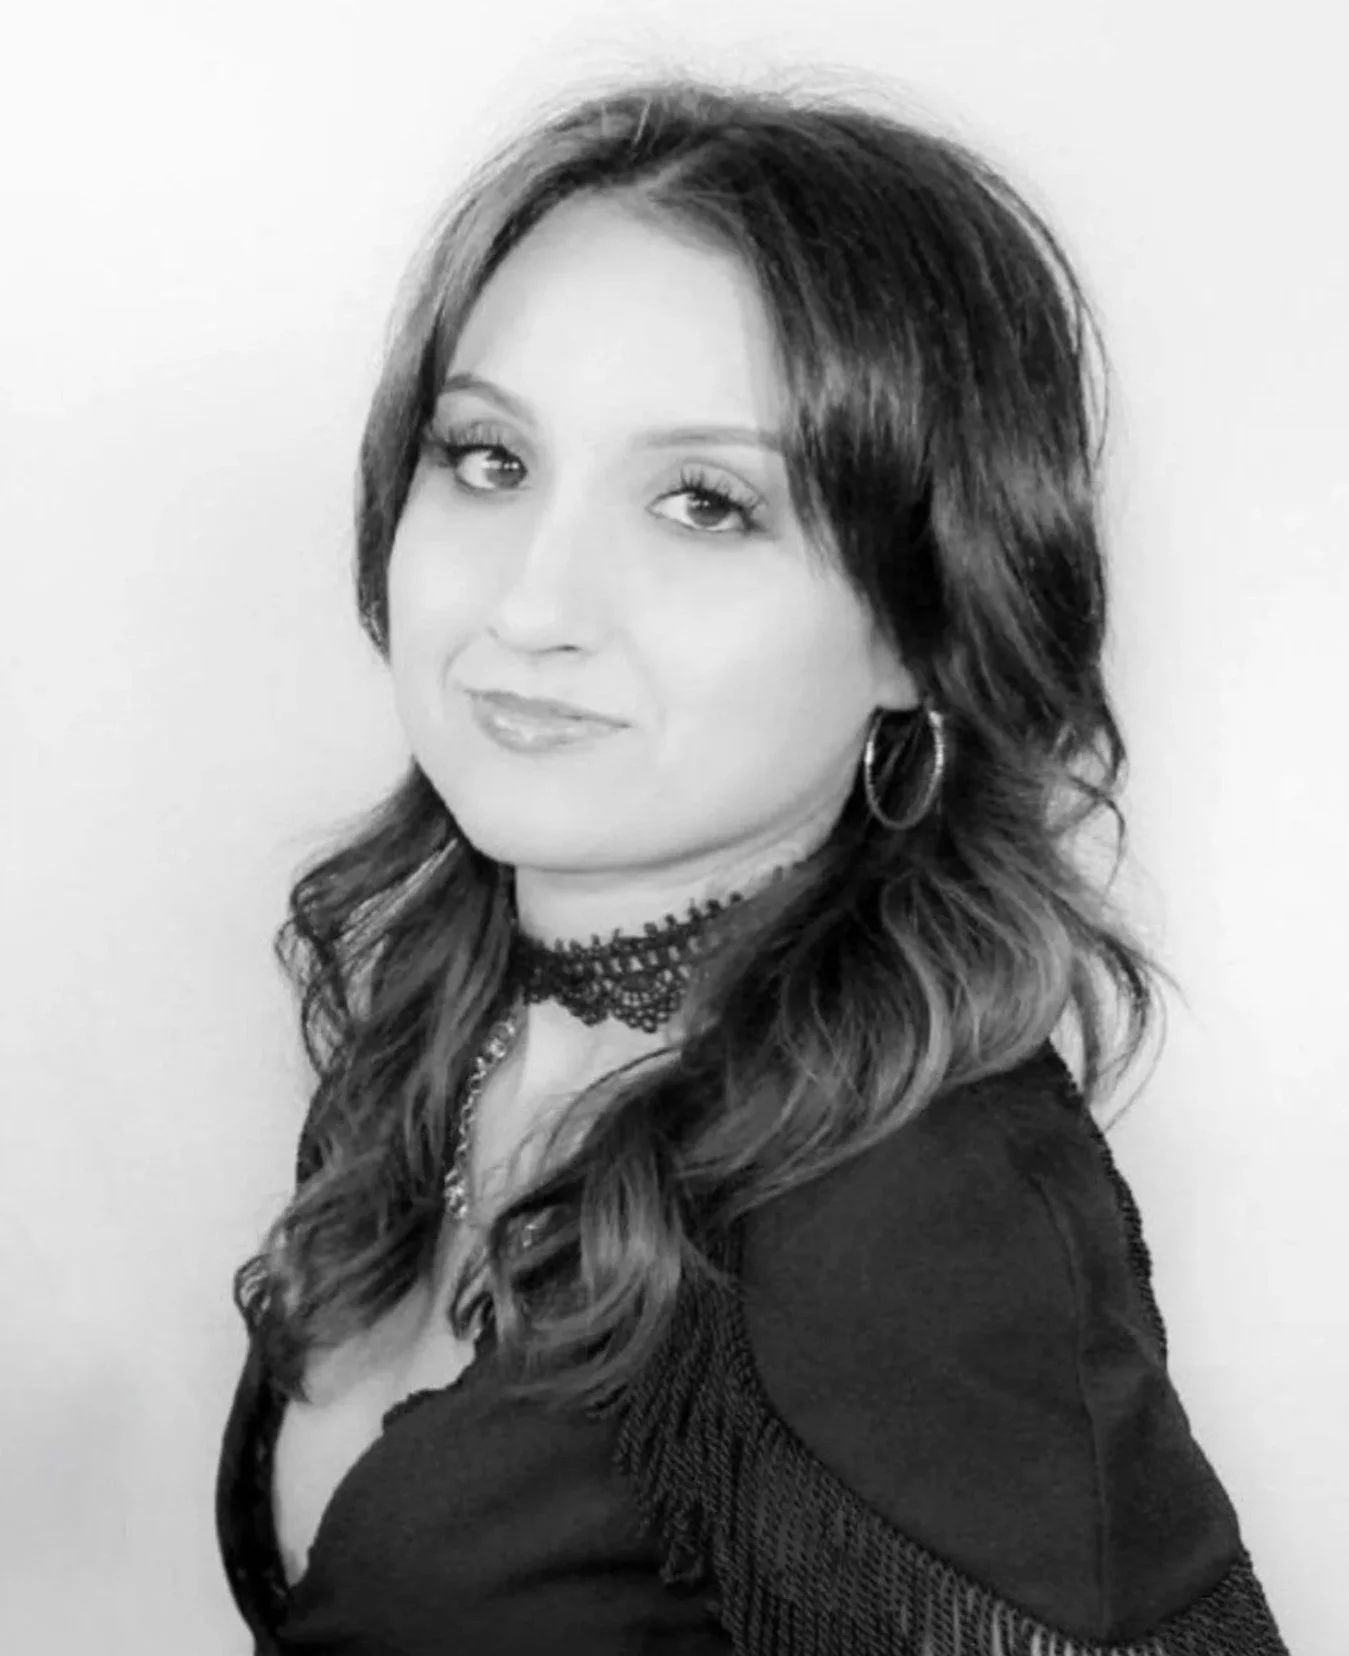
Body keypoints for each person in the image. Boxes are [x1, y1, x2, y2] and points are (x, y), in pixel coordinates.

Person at [215, 69, 1290, 1654]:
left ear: (928, 627)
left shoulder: (915, 1216)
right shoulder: (463, 1024)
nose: (530, 603)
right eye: (488, 460)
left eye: (705, 504)